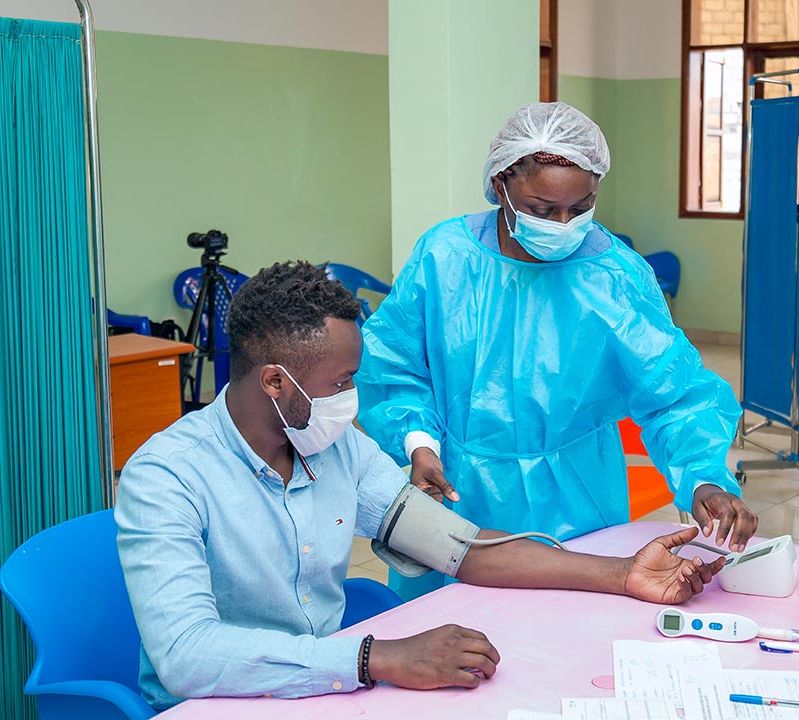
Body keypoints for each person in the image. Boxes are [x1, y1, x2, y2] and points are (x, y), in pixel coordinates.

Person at [115, 261, 726, 709]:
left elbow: (459, 547)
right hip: (217, 702)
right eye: (340, 383)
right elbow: (186, 657)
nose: (352, 403)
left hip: (324, 689)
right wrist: (376, 657)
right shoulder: (168, 476)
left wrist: (622, 575)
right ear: (275, 382)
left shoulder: (333, 449)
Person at [357, 102, 757, 598]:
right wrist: (421, 444)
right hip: (461, 493)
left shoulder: (614, 277)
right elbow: (394, 365)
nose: (564, 223)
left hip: (580, 495)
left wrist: (704, 480)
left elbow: (675, 394)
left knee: (575, 635)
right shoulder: (446, 258)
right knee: (454, 638)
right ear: (502, 183)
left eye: (581, 207)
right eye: (543, 210)